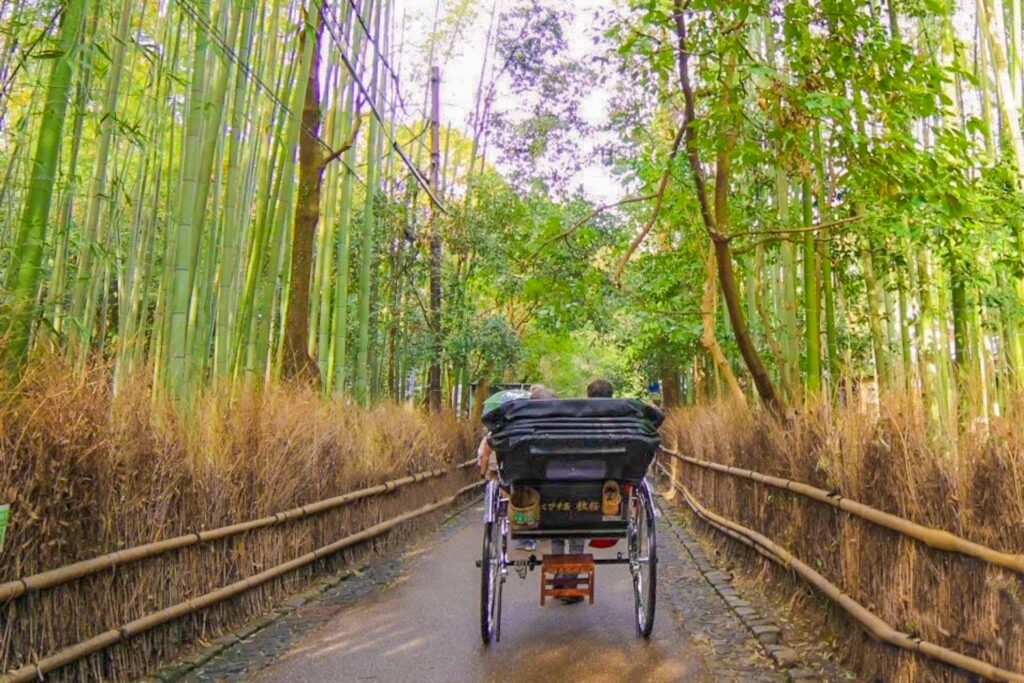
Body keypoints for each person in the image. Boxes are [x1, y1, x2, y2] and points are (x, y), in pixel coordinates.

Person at [477, 385, 557, 551]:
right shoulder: (562, 427)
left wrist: (483, 472)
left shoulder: (515, 426)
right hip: (557, 478)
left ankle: (527, 535)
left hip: (521, 477)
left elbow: (490, 446)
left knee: (521, 486)